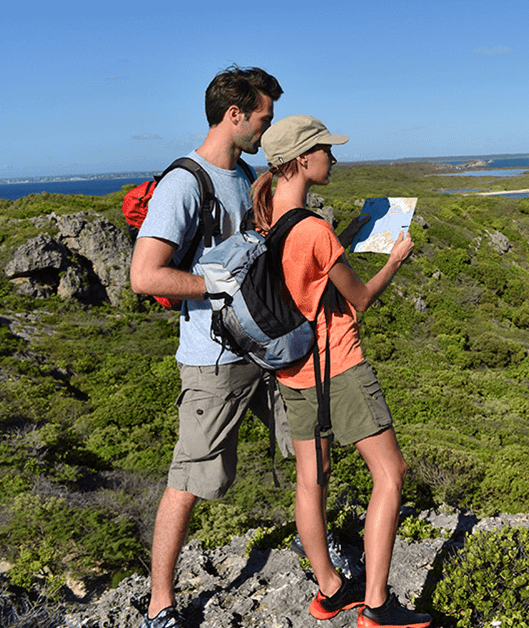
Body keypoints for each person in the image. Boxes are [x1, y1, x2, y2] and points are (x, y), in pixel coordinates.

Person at [254, 115, 430, 628]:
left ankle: (329, 589)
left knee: (311, 480)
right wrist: (395, 259)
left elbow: (303, 278)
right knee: (390, 473)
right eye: (327, 150)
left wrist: (346, 236)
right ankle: (377, 606)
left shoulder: (268, 219)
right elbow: (360, 300)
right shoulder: (313, 230)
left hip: (294, 371)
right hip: (341, 365)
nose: (334, 158)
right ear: (302, 160)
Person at [129, 65, 287, 628]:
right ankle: (160, 603)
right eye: (263, 118)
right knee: (192, 478)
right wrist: (209, 283)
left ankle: (326, 557)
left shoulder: (246, 176)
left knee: (312, 446)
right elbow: (145, 276)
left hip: (266, 349)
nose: (266, 130)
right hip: (213, 360)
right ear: (235, 114)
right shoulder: (183, 183)